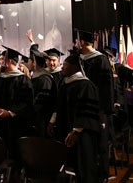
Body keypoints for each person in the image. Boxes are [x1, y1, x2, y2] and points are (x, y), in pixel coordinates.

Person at [53, 53, 101, 182]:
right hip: (66, 131)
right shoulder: (65, 84)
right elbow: (58, 106)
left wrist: (76, 131)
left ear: (74, 67)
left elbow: (87, 111)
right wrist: (52, 121)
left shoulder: (86, 85)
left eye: (65, 65)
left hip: (82, 134)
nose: (62, 68)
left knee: (83, 166)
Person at [0, 46, 34, 176]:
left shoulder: (23, 80)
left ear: (8, 61)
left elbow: (27, 103)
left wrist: (10, 112)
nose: (0, 61)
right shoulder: (0, 77)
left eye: (3, 59)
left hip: (16, 126)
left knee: (14, 158)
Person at [77, 30, 114, 181]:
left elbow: (106, 89)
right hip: (83, 110)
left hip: (98, 110)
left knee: (100, 145)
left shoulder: (101, 60)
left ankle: (102, 176)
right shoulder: (80, 60)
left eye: (78, 41)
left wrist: (103, 111)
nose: (76, 44)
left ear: (84, 43)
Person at [28, 48, 57, 137]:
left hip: (43, 119)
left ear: (34, 62)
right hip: (37, 118)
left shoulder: (45, 78)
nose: (27, 63)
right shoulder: (37, 76)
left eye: (29, 61)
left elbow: (41, 102)